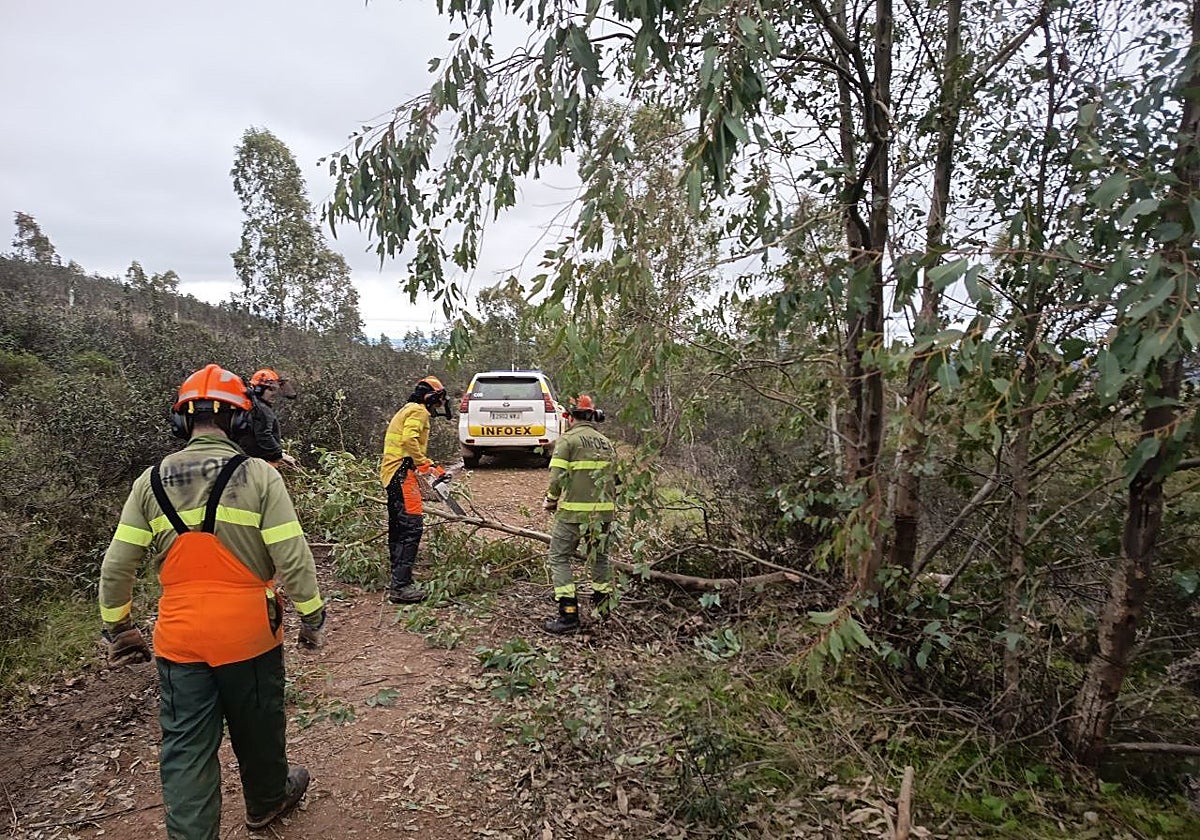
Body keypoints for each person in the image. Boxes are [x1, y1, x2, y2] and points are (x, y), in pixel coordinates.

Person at [99, 363, 326, 839]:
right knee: (259, 724)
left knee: (184, 750)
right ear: (241, 422)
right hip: (249, 633)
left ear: (182, 421)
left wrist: (119, 627)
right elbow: (292, 552)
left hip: (178, 637)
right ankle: (266, 801)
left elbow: (118, 565)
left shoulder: (150, 480)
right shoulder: (259, 476)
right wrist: (311, 614)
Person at [542, 394, 618, 634]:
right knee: (600, 558)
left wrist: (551, 501)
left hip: (573, 514)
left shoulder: (567, 441)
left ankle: (568, 615)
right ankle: (603, 609)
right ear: (594, 415)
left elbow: (556, 478)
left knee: (559, 558)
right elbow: (616, 481)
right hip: (604, 515)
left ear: (569, 416)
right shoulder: (607, 443)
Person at [381, 375, 452, 604]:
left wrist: (427, 465)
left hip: (393, 472)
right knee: (412, 527)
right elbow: (409, 439)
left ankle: (398, 579)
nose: (440, 405)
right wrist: (423, 463)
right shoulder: (419, 412)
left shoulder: (407, 409)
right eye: (438, 400)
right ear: (430, 397)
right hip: (402, 473)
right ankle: (401, 587)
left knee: (398, 527)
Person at [237, 367, 298, 467]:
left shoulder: (254, 404)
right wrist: (279, 455)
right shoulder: (261, 409)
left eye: (275, 390)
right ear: (258, 389)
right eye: (270, 390)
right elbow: (264, 436)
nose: (274, 393)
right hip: (257, 462)